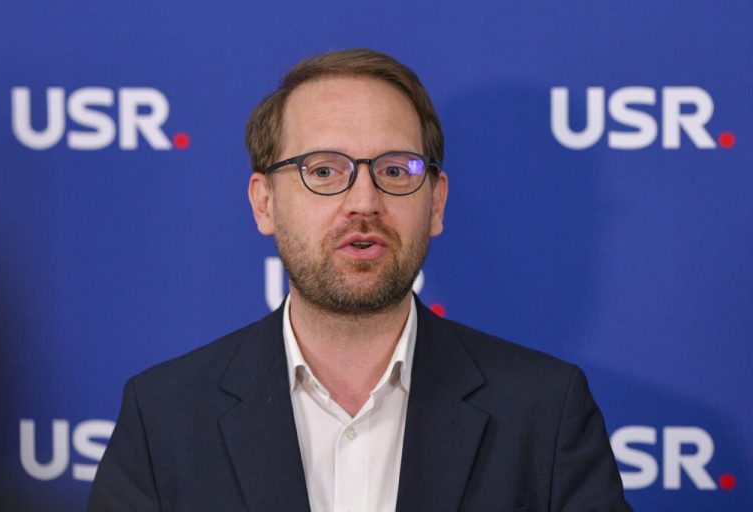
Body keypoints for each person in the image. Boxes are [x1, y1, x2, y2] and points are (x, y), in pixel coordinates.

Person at [89, 48, 631, 512]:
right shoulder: (163, 417)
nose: (364, 202)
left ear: (436, 204)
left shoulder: (546, 410)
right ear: (264, 203)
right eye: (324, 171)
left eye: (395, 170)